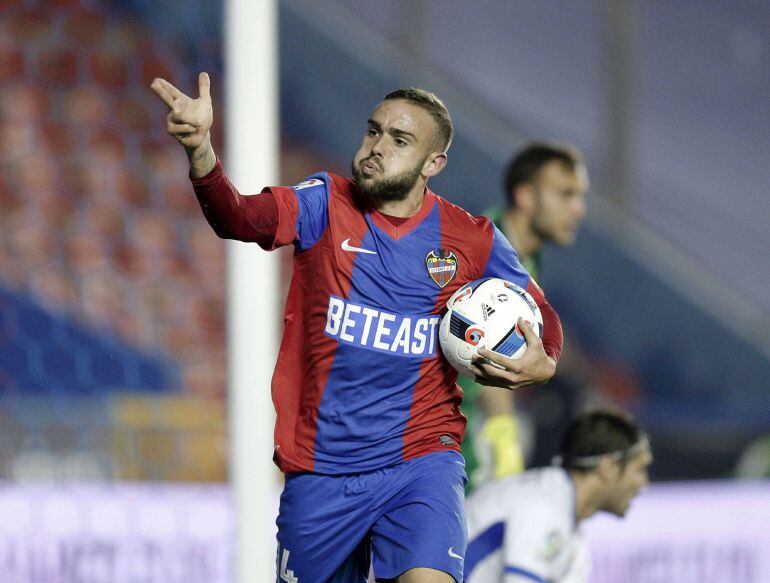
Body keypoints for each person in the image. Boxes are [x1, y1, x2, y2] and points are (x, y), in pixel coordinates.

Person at [151, 72, 564, 583]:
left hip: (421, 461)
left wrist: (543, 358)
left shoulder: (471, 239)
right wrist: (201, 154)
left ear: (433, 164)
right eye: (373, 131)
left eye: (399, 140)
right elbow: (240, 217)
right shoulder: (324, 203)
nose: (376, 147)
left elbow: (540, 314)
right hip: (322, 470)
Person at [461, 144, 589, 489]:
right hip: (440, 430)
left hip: (459, 425)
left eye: (580, 196)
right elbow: (490, 347)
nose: (578, 209)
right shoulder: (486, 249)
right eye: (566, 194)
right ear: (526, 196)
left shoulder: (524, 257)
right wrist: (504, 436)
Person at [463, 409, 652, 582]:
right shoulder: (543, 505)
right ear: (607, 467)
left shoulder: (574, 540)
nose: (644, 483)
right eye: (639, 470)